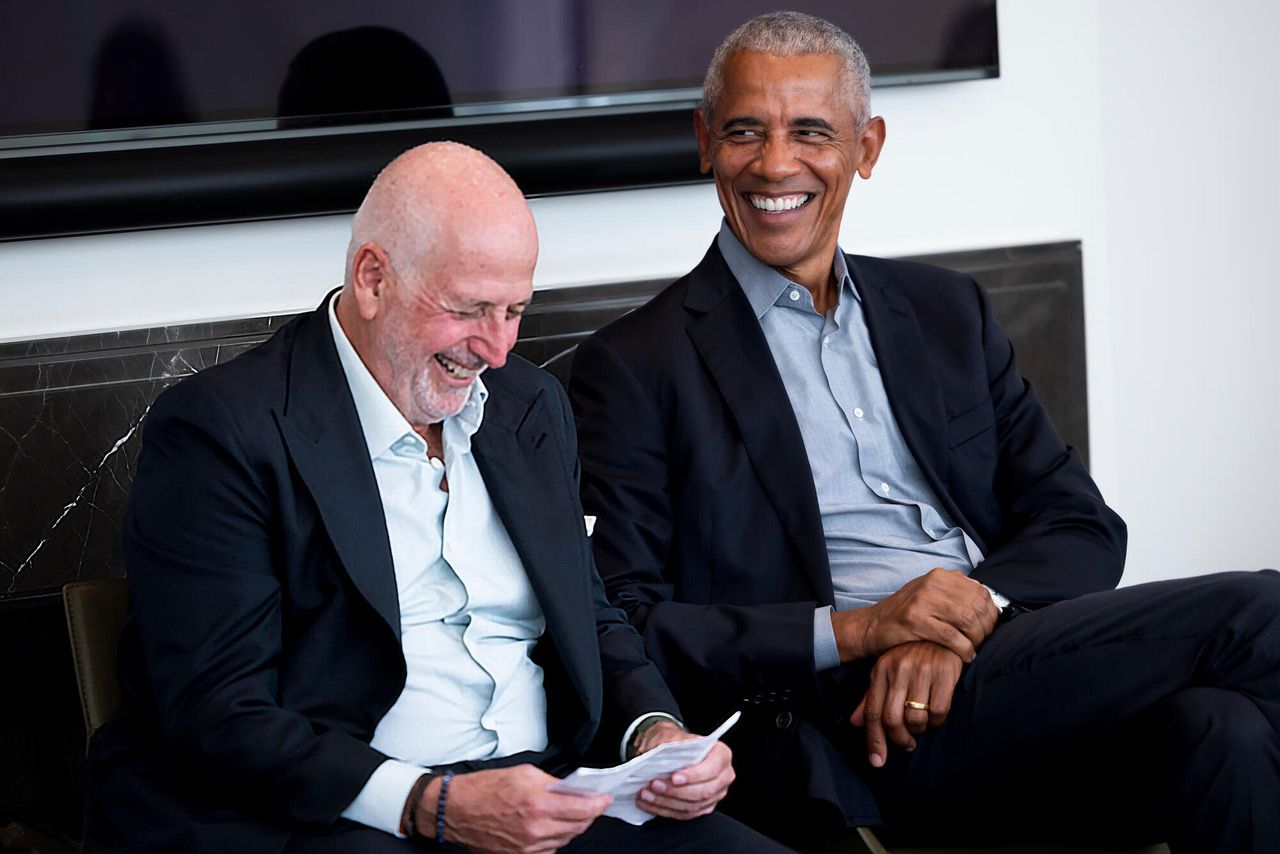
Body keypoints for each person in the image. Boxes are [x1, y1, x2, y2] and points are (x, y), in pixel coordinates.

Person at [569, 12, 1280, 853]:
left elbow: (1081, 524)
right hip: (854, 717)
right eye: (744, 132)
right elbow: (629, 620)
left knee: (1223, 731)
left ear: (866, 147)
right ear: (704, 142)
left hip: (1008, 659)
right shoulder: (636, 364)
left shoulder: (946, 312)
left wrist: (962, 615)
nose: (774, 163)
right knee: (1262, 611)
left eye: (811, 132)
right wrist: (869, 629)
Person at [85, 142, 789, 853]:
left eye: (515, 310)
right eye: (470, 309)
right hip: (345, 815)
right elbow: (219, 714)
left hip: (549, 796)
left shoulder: (529, 407)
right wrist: (434, 803)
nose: (498, 348)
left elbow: (590, 613)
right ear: (372, 279)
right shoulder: (223, 430)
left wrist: (654, 734)